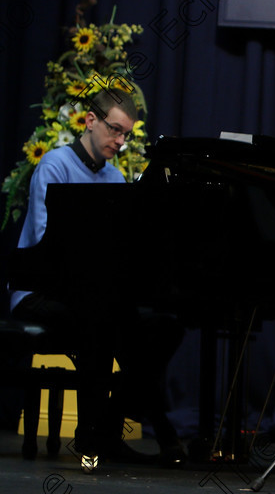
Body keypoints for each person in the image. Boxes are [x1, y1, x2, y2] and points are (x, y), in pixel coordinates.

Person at [9, 88, 186, 472]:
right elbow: (44, 246)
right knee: (104, 321)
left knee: (163, 330)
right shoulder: (54, 165)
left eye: (126, 135)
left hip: (92, 294)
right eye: (115, 130)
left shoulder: (114, 177)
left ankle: (104, 429)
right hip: (40, 290)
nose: (120, 142)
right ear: (90, 121)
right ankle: (109, 437)